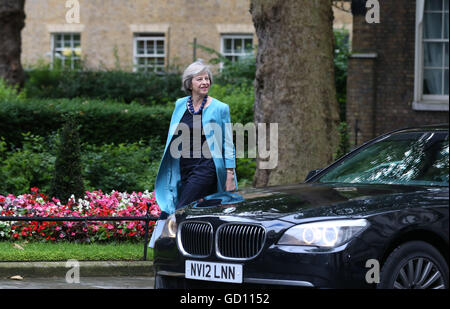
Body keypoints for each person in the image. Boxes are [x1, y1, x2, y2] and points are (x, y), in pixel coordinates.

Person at [154, 60, 238, 221]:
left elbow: (228, 142)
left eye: (207, 79)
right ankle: (200, 243)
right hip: (184, 165)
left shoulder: (220, 108)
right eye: (199, 79)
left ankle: (164, 239)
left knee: (181, 208)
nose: (205, 82)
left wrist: (230, 173)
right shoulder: (180, 105)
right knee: (203, 209)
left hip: (207, 166)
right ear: (189, 83)